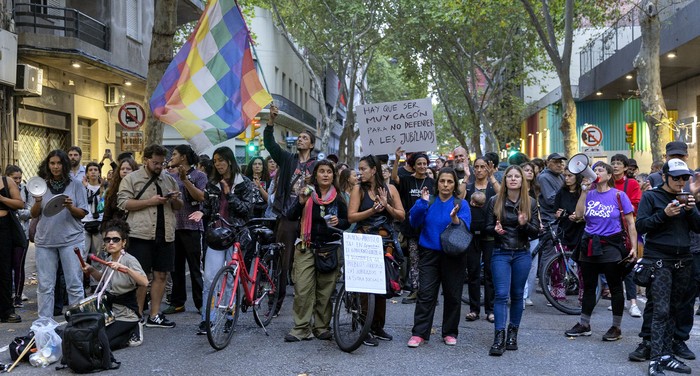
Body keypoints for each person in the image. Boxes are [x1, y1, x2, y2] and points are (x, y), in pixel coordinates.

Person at [635, 159, 700, 375]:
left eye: (684, 177)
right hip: (659, 260)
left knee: (675, 308)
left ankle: (666, 355)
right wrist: (664, 214)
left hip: (684, 261)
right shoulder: (651, 196)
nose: (681, 182)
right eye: (676, 177)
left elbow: (698, 227)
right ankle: (654, 360)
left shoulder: (687, 198)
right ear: (664, 177)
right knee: (660, 310)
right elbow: (641, 225)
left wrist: (691, 210)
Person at [565, 162, 637, 341]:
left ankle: (616, 327)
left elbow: (630, 223)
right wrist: (583, 191)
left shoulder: (619, 195)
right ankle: (584, 324)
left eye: (600, 170)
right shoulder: (588, 194)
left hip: (611, 245)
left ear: (609, 175)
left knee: (615, 287)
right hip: (589, 243)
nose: (596, 172)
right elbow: (579, 215)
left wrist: (634, 247)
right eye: (594, 169)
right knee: (588, 286)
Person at [117, 144, 183, 328]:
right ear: (146, 159)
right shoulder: (132, 179)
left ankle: (154, 314)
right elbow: (123, 203)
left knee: (161, 274)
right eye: (155, 162)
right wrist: (150, 202)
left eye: (162, 163)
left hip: (165, 233)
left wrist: (175, 199)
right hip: (140, 233)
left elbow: (179, 207)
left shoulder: (169, 179)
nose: (159, 166)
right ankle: (137, 315)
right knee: (140, 277)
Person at [284, 160, 349, 342]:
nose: (326, 174)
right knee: (302, 289)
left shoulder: (339, 197)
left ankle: (321, 327)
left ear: (333, 176)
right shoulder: (306, 193)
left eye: (329, 171)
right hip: (306, 247)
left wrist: (339, 222)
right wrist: (300, 202)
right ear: (316, 175)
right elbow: (290, 216)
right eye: (322, 171)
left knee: (325, 292)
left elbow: (348, 222)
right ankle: (301, 328)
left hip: (330, 249)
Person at [406, 167, 471, 348]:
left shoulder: (461, 203)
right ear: (437, 183)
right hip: (429, 253)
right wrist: (421, 203)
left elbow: (466, 227)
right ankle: (419, 333)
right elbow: (414, 221)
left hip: (453, 255)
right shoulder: (429, 200)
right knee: (426, 294)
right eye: (442, 181)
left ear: (454, 184)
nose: (445, 185)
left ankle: (449, 332)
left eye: (450, 181)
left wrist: (455, 218)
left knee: (452, 294)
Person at [193, 146, 255, 335]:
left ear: (229, 161)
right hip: (215, 235)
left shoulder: (244, 183)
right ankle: (207, 318)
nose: (218, 163)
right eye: (215, 160)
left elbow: (246, 210)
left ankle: (229, 315)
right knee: (211, 277)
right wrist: (201, 212)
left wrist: (229, 194)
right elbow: (208, 207)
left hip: (235, 235)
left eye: (221, 160)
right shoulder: (213, 183)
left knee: (230, 279)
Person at [264, 105, 316, 316]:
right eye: (299, 138)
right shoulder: (287, 160)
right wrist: (270, 121)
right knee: (281, 264)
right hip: (287, 217)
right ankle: (274, 305)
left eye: (304, 138)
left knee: (309, 264)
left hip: (309, 220)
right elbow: (269, 144)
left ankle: (310, 309)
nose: (300, 140)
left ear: (311, 144)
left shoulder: (317, 166)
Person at [348, 155, 405, 346]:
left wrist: (386, 205)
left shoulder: (391, 189)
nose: (360, 172)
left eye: (363, 169)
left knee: (382, 286)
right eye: (359, 169)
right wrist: (372, 210)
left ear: (374, 170)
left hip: (384, 241)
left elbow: (401, 215)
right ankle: (364, 327)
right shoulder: (358, 189)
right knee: (365, 287)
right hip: (363, 242)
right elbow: (351, 217)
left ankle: (378, 326)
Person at [485, 165, 540, 356]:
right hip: (500, 252)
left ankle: (512, 334)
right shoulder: (494, 200)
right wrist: (495, 230)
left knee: (517, 294)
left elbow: (536, 233)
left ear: (522, 180)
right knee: (501, 294)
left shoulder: (530, 202)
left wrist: (524, 225)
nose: (513, 179)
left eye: (517, 176)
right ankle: (498, 337)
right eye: (510, 176)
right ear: (505, 180)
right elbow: (486, 227)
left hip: (521, 253)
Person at [30, 149, 90, 319]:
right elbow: (34, 214)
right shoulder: (39, 186)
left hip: (71, 240)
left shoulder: (76, 185)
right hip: (45, 241)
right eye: (52, 163)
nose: (56, 167)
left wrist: (71, 207)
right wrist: (38, 201)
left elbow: (82, 213)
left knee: (74, 284)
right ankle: (44, 325)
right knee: (45, 286)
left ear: (64, 165)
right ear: (47, 165)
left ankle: (79, 324)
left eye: (59, 163)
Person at [81, 219, 148, 349]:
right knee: (91, 337)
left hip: (127, 315)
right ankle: (126, 333)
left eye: (116, 239)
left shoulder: (129, 260)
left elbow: (144, 282)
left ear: (123, 243)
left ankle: (134, 328)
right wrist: (91, 269)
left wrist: (125, 269)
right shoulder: (109, 259)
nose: (111, 242)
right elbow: (103, 279)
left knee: (101, 344)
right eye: (107, 240)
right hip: (110, 313)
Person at [162, 145, 207, 316]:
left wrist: (185, 180)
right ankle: (177, 302)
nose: (171, 157)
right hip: (174, 227)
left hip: (192, 227)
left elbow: (200, 197)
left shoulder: (199, 176)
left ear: (184, 157)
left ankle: (200, 303)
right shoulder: (169, 176)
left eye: (174, 154)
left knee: (195, 268)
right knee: (176, 268)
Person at [391, 149, 434, 304]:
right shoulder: (407, 180)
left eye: (424, 164)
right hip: (411, 228)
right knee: (414, 261)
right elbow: (394, 177)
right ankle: (415, 290)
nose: (422, 166)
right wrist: (397, 159)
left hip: (428, 229)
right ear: (414, 166)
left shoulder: (431, 182)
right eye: (419, 164)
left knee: (427, 261)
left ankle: (427, 291)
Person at [462, 157, 500, 322]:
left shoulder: (492, 187)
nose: (479, 170)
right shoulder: (469, 187)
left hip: (490, 235)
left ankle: (490, 310)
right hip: (471, 235)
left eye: (482, 167)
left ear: (487, 168)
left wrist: (492, 177)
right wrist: (465, 176)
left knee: (490, 273)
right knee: (473, 273)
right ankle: (474, 309)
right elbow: (458, 196)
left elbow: (502, 195)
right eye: (476, 167)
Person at [611, 154, 643, 318]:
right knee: (613, 267)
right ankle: (617, 299)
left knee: (630, 265)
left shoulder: (631, 184)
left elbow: (636, 205)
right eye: (613, 163)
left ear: (625, 167)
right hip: (611, 231)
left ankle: (633, 303)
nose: (615, 166)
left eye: (618, 163)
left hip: (629, 230)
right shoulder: (606, 183)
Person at [0, 166, 25, 323]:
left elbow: (19, 203)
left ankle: (6, 310)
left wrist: (1, 199)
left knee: (4, 270)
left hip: (3, 228)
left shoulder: (6, 181)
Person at [5, 166, 30, 308]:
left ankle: (18, 296)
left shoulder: (25, 189)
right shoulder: (4, 188)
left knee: (18, 265)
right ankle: (7, 294)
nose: (18, 181)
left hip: (22, 232)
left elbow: (30, 210)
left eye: (20, 178)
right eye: (15, 178)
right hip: (6, 232)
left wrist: (16, 210)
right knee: (6, 265)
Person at [522, 161, 544, 307]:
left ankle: (528, 294)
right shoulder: (517, 188)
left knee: (533, 264)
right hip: (521, 229)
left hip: (534, 229)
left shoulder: (535, 189)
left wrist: (540, 222)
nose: (529, 172)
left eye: (531, 170)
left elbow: (537, 208)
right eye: (526, 170)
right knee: (521, 262)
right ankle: (520, 295)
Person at [102, 158, 138, 226]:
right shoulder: (111, 191)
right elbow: (107, 215)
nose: (125, 171)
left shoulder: (139, 188)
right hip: (116, 229)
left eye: (128, 169)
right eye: (122, 169)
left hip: (135, 228)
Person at [82, 162, 105, 262]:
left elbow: (104, 206)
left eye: (96, 170)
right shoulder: (82, 188)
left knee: (98, 256)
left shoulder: (104, 188)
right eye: (90, 170)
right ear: (87, 173)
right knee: (82, 254)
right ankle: (81, 277)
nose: (93, 172)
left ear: (99, 173)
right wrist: (85, 187)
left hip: (99, 223)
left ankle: (96, 277)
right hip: (84, 223)